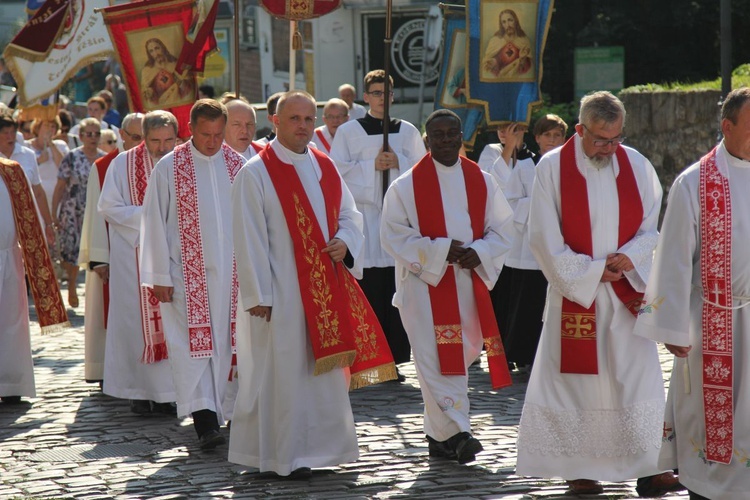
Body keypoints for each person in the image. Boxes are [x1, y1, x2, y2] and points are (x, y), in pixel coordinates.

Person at [515, 91, 682, 497]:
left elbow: (650, 227)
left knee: (636, 377)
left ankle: (650, 465)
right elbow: (542, 235)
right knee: (576, 384)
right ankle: (580, 468)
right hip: (578, 294)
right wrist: (591, 272)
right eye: (601, 140)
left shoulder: (637, 165)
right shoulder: (552, 169)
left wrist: (629, 257)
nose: (609, 148)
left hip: (626, 293)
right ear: (579, 130)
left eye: (615, 139)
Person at [229, 90, 395, 479]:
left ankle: (322, 449)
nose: (303, 127)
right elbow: (247, 237)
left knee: (321, 377)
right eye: (294, 119)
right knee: (282, 374)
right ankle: (281, 455)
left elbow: (351, 215)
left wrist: (345, 242)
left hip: (324, 289)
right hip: (279, 293)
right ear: (276, 121)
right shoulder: (256, 172)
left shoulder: (325, 166)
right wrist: (259, 295)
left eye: (308, 120)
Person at [635, 87, 750, 500]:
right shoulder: (696, 182)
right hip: (714, 318)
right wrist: (671, 325)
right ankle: (706, 488)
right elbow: (673, 257)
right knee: (709, 414)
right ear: (727, 126)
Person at [380, 109, 514, 464]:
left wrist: (479, 251)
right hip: (425, 286)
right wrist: (440, 251)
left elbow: (503, 228)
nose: (444, 140)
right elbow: (392, 234)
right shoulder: (406, 185)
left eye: (451, 133)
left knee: (459, 356)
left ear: (461, 136)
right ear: (426, 140)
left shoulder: (482, 180)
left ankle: (437, 437)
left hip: (467, 284)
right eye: (436, 135)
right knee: (435, 361)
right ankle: (459, 432)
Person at [139, 99, 245, 449]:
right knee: (193, 346)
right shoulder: (170, 167)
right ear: (191, 129)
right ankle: (205, 421)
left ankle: (226, 411)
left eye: (218, 134)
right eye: (205, 134)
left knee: (228, 345)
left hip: (232, 278)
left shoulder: (238, 165)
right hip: (186, 278)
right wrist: (159, 275)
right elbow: (153, 221)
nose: (213, 141)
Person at [330, 70, 426, 380]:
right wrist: (371, 167)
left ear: (393, 96)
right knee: (369, 289)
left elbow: (423, 171)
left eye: (386, 93)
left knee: (395, 289)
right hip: (366, 221)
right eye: (375, 93)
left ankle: (395, 359)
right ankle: (369, 360)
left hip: (397, 221)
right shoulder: (348, 132)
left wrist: (398, 160)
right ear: (366, 96)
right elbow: (336, 174)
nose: (381, 99)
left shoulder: (408, 131)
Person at [99, 111, 178, 415]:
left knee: (172, 320)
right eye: (155, 141)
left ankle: (171, 392)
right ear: (144, 138)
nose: (162, 147)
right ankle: (137, 390)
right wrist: (152, 220)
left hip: (172, 257)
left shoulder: (183, 162)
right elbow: (108, 207)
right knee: (133, 321)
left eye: (168, 140)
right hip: (133, 256)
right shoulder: (122, 164)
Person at [0, 157, 69, 404]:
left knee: (12, 321)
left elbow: (28, 214)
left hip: (10, 255)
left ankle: (11, 383)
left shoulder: (11, 170)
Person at [501, 114, 567, 371]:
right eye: (547, 135)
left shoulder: (569, 166)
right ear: (537, 138)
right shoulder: (525, 166)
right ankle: (522, 353)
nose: (552, 140)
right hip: (528, 247)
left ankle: (550, 353)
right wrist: (542, 203)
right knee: (526, 302)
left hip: (558, 246)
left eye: (557, 135)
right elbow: (511, 202)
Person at [52, 118, 105, 309]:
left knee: (95, 251)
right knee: (71, 251)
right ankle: (72, 285)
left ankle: (96, 295)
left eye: (96, 134)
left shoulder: (104, 158)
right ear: (81, 136)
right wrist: (54, 214)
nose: (93, 138)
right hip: (72, 210)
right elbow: (60, 187)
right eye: (88, 134)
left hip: (95, 211)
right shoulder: (72, 157)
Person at [0, 113, 57, 247]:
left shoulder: (28, 155)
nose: (10, 137)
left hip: (25, 224)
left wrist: (48, 223)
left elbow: (38, 192)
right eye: (5, 133)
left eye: (12, 132)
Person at [26, 117, 70, 215]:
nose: (50, 129)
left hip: (57, 200)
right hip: (36, 199)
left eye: (53, 126)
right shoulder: (26, 147)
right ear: (38, 127)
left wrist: (51, 144)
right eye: (46, 125)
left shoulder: (61, 145)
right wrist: (38, 161)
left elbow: (65, 168)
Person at [140, 38, 194, 108]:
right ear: (150, 54)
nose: (156, 53)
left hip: (179, 106)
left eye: (157, 48)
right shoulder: (147, 71)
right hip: (161, 108)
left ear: (162, 48)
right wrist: (149, 92)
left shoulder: (175, 65)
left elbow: (190, 90)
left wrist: (181, 83)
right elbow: (145, 96)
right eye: (151, 51)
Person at [482, 9, 533, 79]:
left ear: (515, 21)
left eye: (510, 20)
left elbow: (529, 69)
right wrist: (493, 63)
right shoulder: (495, 40)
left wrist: (522, 59)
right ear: (501, 25)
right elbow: (487, 67)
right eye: (504, 22)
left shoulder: (524, 40)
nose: (508, 25)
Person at [219, 94, 261, 160]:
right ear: (222, 126)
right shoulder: (211, 157)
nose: (245, 131)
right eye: (237, 124)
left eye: (249, 124)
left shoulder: (266, 156)